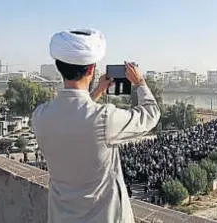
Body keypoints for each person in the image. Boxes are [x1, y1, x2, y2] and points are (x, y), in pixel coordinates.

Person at [32, 28, 160, 223]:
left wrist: (97, 91)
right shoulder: (104, 118)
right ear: (91, 69)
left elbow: (75, 117)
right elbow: (150, 115)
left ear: (58, 66)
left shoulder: (40, 116)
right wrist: (140, 82)